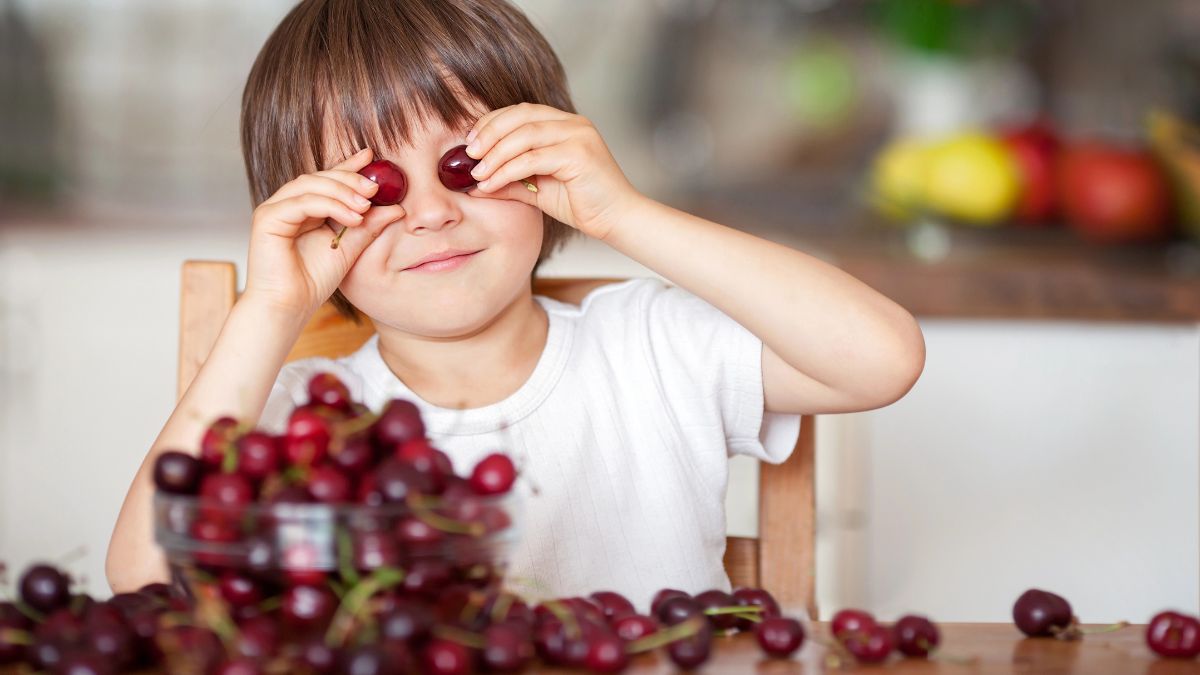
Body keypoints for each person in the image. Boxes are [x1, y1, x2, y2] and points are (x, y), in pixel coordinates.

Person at [107, 0, 925, 608]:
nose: (430, 212)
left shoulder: (649, 345)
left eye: (464, 164)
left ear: (541, 159)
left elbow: (883, 358)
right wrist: (271, 309)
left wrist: (623, 213)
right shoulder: (310, 422)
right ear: (317, 219)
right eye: (373, 186)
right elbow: (145, 578)